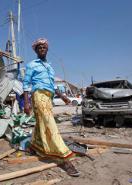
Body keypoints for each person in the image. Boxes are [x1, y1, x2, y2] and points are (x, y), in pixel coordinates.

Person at [23, 38, 80, 177]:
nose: (42, 49)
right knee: (50, 123)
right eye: (39, 47)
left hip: (48, 97)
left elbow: (52, 85)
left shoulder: (49, 66)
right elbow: (26, 83)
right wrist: (26, 102)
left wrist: (63, 96)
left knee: (41, 122)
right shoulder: (32, 65)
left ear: (47, 49)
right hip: (38, 95)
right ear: (36, 50)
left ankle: (32, 146)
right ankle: (63, 158)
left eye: (44, 47)